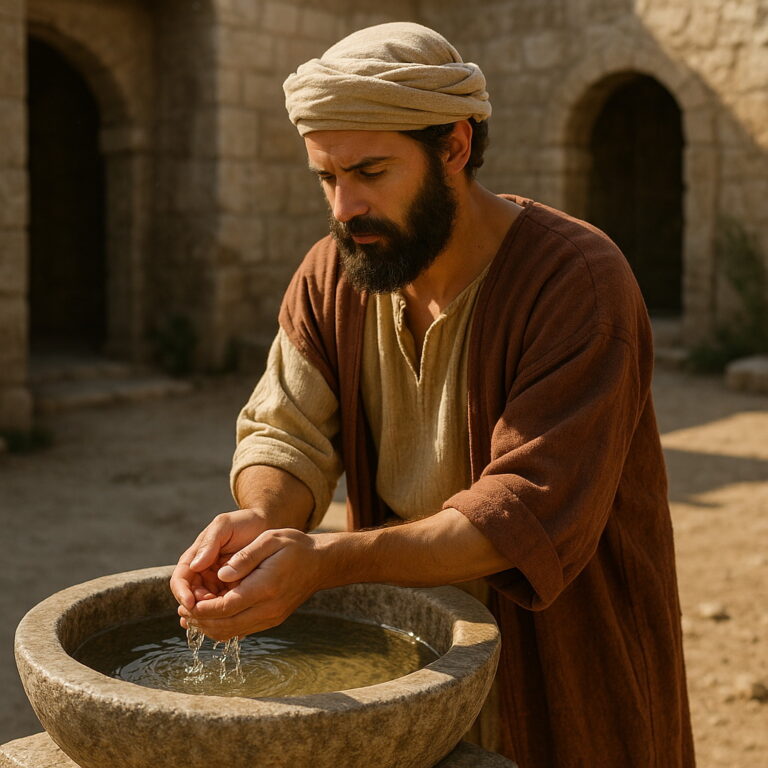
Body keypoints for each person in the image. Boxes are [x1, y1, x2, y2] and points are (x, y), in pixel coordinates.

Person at [170, 22, 695, 767]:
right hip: (418, 674)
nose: (343, 206)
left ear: (453, 147)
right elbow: (285, 433)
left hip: (565, 668)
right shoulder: (335, 274)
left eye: (370, 171)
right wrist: (262, 520)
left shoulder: (576, 283)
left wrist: (324, 562)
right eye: (327, 176)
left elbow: (520, 517)